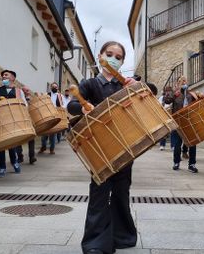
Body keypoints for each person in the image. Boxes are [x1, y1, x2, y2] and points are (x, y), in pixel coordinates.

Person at [67, 41, 137, 254]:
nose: (114, 59)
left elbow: (147, 95)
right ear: (100, 56)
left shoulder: (126, 84)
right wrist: (83, 108)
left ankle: (123, 236)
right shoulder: (89, 84)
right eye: (110, 54)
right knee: (99, 191)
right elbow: (71, 105)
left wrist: (136, 88)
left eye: (119, 56)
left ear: (122, 61)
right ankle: (95, 243)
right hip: (99, 146)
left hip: (125, 143)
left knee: (121, 191)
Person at [0, 70, 27, 177]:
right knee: (0, 145)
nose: (3, 76)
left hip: (13, 120)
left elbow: (24, 104)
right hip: (0, 120)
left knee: (12, 144)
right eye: (3, 75)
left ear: (13, 78)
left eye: (6, 75)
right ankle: (2, 167)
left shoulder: (19, 91)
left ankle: (14, 162)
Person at [164, 77, 198, 173]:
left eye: (185, 81)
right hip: (178, 122)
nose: (184, 82)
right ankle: (176, 162)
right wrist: (173, 95)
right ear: (178, 83)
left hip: (189, 121)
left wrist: (199, 96)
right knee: (177, 143)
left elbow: (197, 103)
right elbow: (167, 101)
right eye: (182, 81)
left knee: (192, 143)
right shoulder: (175, 93)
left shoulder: (190, 93)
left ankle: (192, 164)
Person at [15, 85, 37, 165]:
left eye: (28, 90)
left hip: (28, 119)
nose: (28, 92)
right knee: (19, 139)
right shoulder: (18, 96)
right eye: (26, 91)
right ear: (22, 91)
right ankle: (20, 156)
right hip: (20, 119)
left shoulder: (30, 99)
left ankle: (32, 157)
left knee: (31, 138)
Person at [39, 82, 62, 154]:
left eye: (56, 87)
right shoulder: (46, 94)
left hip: (55, 115)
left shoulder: (59, 96)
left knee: (53, 133)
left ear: (57, 88)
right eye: (53, 87)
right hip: (46, 115)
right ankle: (43, 147)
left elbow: (62, 105)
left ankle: (52, 149)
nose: (54, 88)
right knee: (44, 132)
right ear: (50, 87)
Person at [158, 86, 173, 151]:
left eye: (169, 90)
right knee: (164, 130)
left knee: (172, 130)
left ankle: (173, 145)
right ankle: (162, 145)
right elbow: (159, 105)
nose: (168, 92)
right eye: (167, 90)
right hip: (164, 114)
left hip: (171, 114)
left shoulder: (172, 97)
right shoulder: (162, 98)